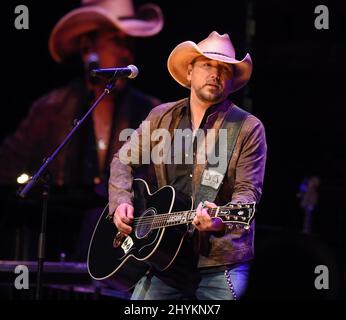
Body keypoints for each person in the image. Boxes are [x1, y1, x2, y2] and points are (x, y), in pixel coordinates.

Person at [0, 0, 164, 261]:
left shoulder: (152, 112)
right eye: (117, 41)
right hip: (57, 242)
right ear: (89, 49)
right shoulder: (52, 109)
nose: (127, 54)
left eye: (130, 45)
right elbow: (7, 169)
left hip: (122, 248)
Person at [109, 31, 267, 300]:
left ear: (231, 80)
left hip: (219, 262)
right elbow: (122, 160)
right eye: (207, 65)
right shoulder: (161, 117)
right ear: (190, 72)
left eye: (224, 69)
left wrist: (218, 222)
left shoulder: (247, 128)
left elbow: (247, 192)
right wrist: (121, 202)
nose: (215, 74)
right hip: (164, 259)